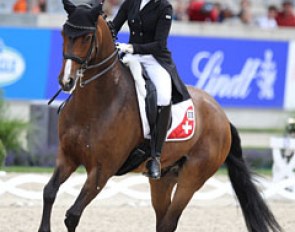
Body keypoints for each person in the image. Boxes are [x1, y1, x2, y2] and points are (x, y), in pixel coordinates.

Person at [111, 0, 190, 179]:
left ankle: (155, 156)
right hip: (131, 56)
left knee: (162, 96)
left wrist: (131, 47)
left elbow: (159, 44)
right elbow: (113, 28)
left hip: (154, 58)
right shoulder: (131, 2)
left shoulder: (164, 7)